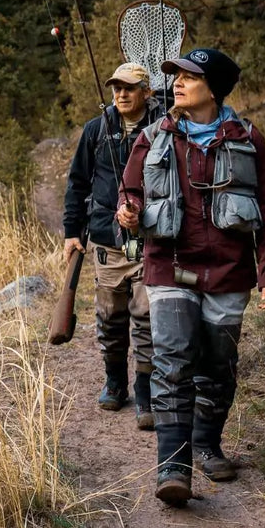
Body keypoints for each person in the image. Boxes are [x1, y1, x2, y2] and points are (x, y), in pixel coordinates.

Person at [116, 48, 265, 507]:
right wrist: (128, 214)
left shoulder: (249, 139)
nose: (177, 83)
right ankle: (173, 463)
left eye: (189, 77)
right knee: (173, 360)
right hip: (168, 265)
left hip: (230, 272)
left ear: (214, 87)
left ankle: (208, 443)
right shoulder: (152, 137)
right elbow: (130, 192)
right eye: (175, 77)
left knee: (218, 368)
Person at [62, 61, 164, 428]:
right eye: (116, 88)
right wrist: (72, 231)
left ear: (146, 92)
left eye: (129, 88)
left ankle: (146, 391)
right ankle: (115, 381)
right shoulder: (96, 130)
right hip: (107, 241)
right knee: (110, 317)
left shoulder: (164, 128)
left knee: (148, 317)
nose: (121, 94)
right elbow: (77, 183)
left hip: (152, 240)